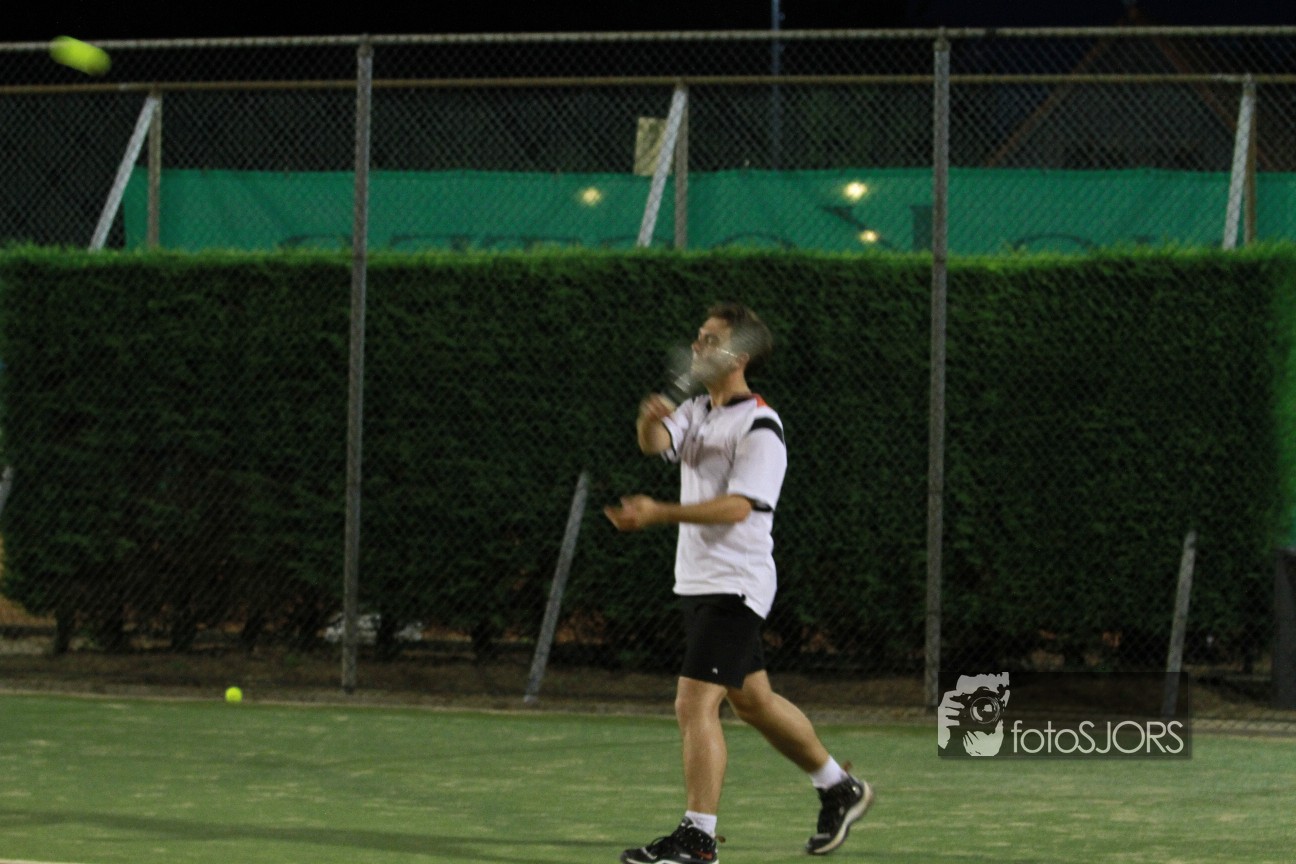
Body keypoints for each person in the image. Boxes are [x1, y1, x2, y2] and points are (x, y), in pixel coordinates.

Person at [605, 302, 874, 864]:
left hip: (737, 583)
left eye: (711, 340)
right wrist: (650, 420)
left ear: (739, 356)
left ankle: (697, 839)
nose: (697, 346)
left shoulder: (761, 427)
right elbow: (655, 444)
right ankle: (838, 787)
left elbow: (738, 508)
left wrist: (658, 513)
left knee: (692, 702)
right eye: (698, 337)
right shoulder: (697, 409)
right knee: (753, 702)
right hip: (699, 580)